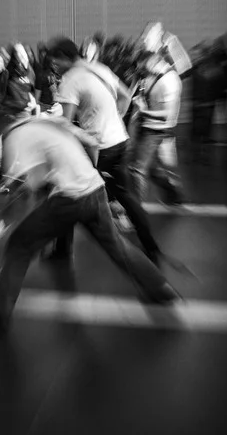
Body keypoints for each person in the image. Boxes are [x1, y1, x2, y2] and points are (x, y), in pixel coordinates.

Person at [0, 104, 180, 332]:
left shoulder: (13, 137)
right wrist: (86, 172)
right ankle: (161, 289)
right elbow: (91, 143)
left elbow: (17, 186)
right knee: (117, 245)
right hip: (95, 188)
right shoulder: (44, 121)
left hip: (69, 199)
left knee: (20, 244)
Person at [47, 37, 164, 264]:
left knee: (67, 191)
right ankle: (152, 248)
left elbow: (66, 125)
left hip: (100, 147)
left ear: (64, 57)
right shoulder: (100, 68)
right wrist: (113, 119)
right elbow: (126, 96)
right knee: (127, 196)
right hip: (120, 140)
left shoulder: (70, 80)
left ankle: (62, 252)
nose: (54, 67)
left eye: (55, 62)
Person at [127, 48, 184, 206]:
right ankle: (174, 195)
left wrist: (144, 110)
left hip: (156, 130)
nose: (142, 72)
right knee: (152, 169)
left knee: (137, 169)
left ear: (153, 62)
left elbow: (167, 114)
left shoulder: (169, 81)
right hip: (147, 126)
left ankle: (135, 210)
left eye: (143, 67)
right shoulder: (151, 75)